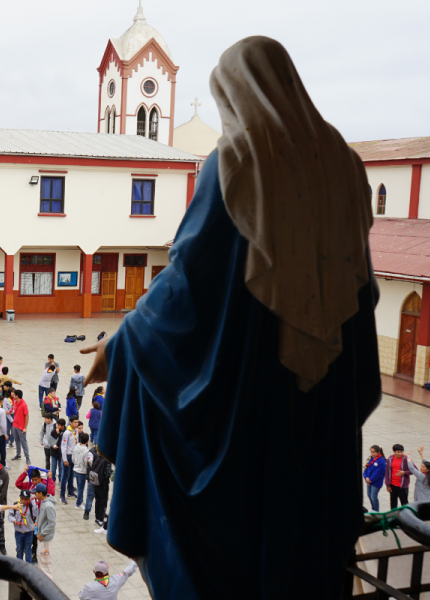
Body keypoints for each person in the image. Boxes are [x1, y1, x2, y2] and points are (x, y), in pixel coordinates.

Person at [80, 37, 381, 600]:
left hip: (250, 398)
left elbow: (187, 282)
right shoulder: (343, 163)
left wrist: (120, 346)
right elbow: (358, 293)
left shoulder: (237, 160)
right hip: (323, 399)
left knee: (233, 537)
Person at [33, 483, 56, 580]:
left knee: (45, 560)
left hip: (45, 538)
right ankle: (42, 578)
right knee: (41, 558)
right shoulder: (43, 501)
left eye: (36, 493)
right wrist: (37, 521)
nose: (35, 494)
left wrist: (42, 534)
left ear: (40, 493)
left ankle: (47, 581)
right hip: (41, 535)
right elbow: (40, 513)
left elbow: (52, 523)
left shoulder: (48, 506)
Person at [86, 447, 112, 529]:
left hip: (96, 482)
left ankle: (97, 518)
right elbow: (107, 474)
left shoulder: (98, 458)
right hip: (103, 484)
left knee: (97, 500)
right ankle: (101, 520)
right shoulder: (107, 461)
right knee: (103, 501)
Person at [8, 490, 37, 563]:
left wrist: (33, 502)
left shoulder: (31, 505)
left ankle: (28, 567)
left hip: (29, 533)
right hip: (18, 532)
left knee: (28, 550)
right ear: (20, 497)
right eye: (22, 499)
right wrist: (14, 520)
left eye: (26, 499)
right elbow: (10, 516)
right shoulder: (14, 505)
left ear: (28, 499)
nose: (24, 501)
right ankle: (19, 566)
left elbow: (36, 513)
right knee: (19, 549)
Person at [385, 444, 411, 509]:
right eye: (398, 452)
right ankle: (393, 516)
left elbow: (413, 470)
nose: (400, 453)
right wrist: (387, 485)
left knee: (404, 503)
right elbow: (387, 472)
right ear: (394, 452)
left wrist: (404, 472)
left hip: (402, 486)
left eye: (401, 452)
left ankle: (406, 516)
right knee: (393, 503)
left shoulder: (406, 459)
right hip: (392, 485)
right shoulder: (390, 458)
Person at [10, 390, 31, 465]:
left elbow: (27, 416)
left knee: (23, 442)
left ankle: (27, 457)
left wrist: (25, 427)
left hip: (21, 426)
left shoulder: (24, 404)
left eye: (14, 394)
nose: (13, 395)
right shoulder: (15, 403)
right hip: (15, 425)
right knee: (17, 440)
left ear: (17, 396)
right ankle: (18, 454)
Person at [363, 445, 386, 512]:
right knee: (369, 495)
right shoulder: (370, 458)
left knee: (373, 496)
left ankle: (376, 510)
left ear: (378, 452)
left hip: (376, 482)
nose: (372, 454)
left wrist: (370, 480)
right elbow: (366, 468)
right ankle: (373, 508)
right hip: (368, 480)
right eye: (371, 452)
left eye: (374, 452)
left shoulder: (381, 462)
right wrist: (366, 477)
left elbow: (378, 473)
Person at [57, 418, 75, 503]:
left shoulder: (75, 432)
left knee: (71, 475)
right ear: (70, 422)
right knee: (65, 476)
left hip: (73, 456)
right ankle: (62, 495)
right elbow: (63, 446)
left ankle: (70, 492)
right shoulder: (67, 433)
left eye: (77, 422)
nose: (76, 424)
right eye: (74, 422)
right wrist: (64, 459)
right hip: (67, 456)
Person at [72, 432, 90, 510]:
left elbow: (73, 458)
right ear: (87, 441)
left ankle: (80, 501)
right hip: (82, 471)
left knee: (79, 486)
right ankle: (79, 503)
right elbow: (86, 462)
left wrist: (76, 463)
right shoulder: (86, 451)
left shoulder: (76, 447)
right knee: (81, 488)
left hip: (75, 469)